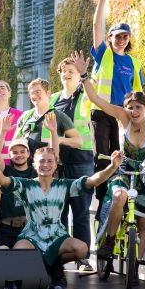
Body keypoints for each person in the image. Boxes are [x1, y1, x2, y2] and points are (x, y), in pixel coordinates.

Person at [73, 51, 145, 263]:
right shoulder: (122, 116)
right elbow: (95, 99)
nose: (133, 111)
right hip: (123, 168)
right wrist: (84, 75)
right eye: (130, 107)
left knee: (144, 222)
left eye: (138, 107)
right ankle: (109, 242)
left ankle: (135, 265)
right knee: (119, 196)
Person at [0, 142, 123, 289]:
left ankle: (52, 264)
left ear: (56, 165)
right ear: (34, 165)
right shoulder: (26, 185)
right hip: (32, 235)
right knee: (19, 252)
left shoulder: (64, 185)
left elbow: (93, 180)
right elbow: (3, 180)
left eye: (50, 161)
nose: (46, 164)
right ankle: (52, 268)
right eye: (42, 161)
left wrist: (113, 166)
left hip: (57, 235)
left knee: (82, 249)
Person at [91, 0, 145, 204]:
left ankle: (120, 199)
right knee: (103, 157)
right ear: (110, 38)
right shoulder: (105, 54)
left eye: (125, 36)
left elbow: (140, 96)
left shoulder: (134, 63)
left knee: (122, 158)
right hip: (102, 112)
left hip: (123, 117)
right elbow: (96, 26)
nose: (121, 40)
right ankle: (102, 201)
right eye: (117, 36)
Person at [52, 56, 101, 269]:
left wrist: (85, 74)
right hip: (58, 162)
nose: (67, 72)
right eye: (64, 69)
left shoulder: (86, 95)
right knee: (59, 211)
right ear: (60, 74)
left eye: (72, 69)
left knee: (80, 211)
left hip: (82, 159)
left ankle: (82, 257)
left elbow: (98, 97)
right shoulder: (52, 99)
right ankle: (63, 255)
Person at [14, 78, 80, 155]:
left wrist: (60, 140)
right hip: (27, 164)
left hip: (48, 164)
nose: (34, 95)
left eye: (38, 92)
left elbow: (78, 141)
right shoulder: (25, 116)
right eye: (32, 93)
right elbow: (15, 141)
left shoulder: (59, 116)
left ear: (48, 93)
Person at [0, 137, 36, 248]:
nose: (19, 155)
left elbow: (54, 157)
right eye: (14, 152)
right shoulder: (5, 171)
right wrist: (3, 131)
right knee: (4, 255)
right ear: (9, 155)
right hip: (7, 228)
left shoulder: (35, 172)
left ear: (28, 153)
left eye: (22, 152)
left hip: (29, 229)